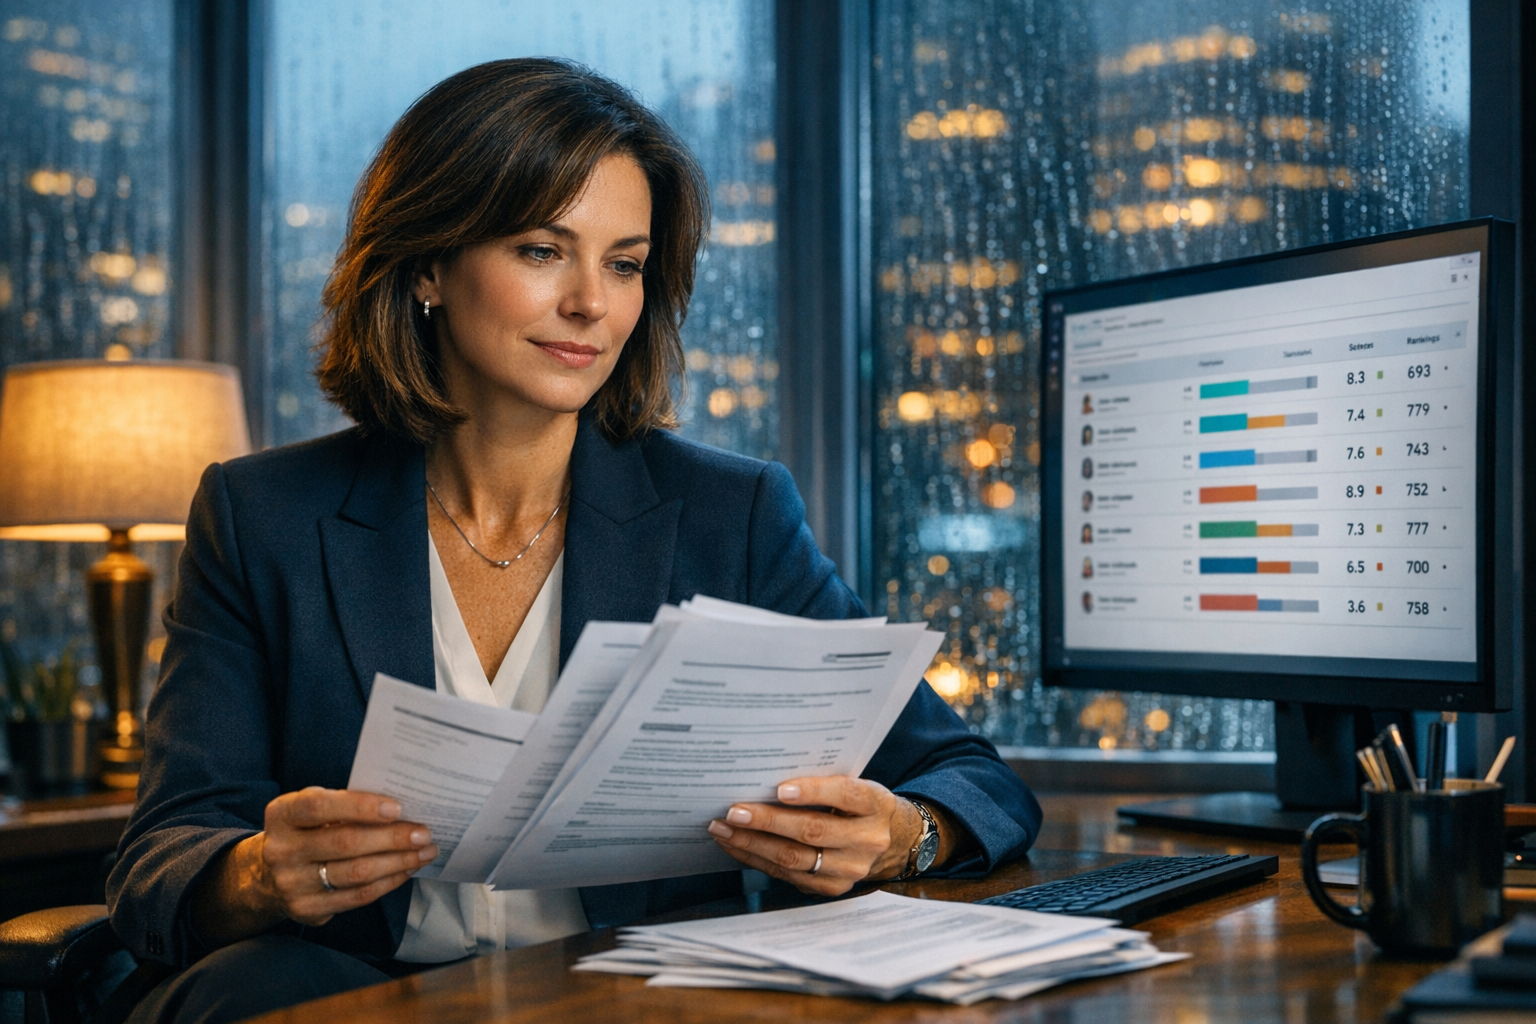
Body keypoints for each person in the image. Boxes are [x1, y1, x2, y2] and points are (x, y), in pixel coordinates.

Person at [106, 58, 1041, 1023]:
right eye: (543, 250)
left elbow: (975, 780)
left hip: (633, 1000)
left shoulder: (732, 513)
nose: (592, 303)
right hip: (359, 997)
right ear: (427, 266)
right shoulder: (262, 515)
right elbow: (161, 858)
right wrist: (260, 873)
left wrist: (902, 835)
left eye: (625, 264)